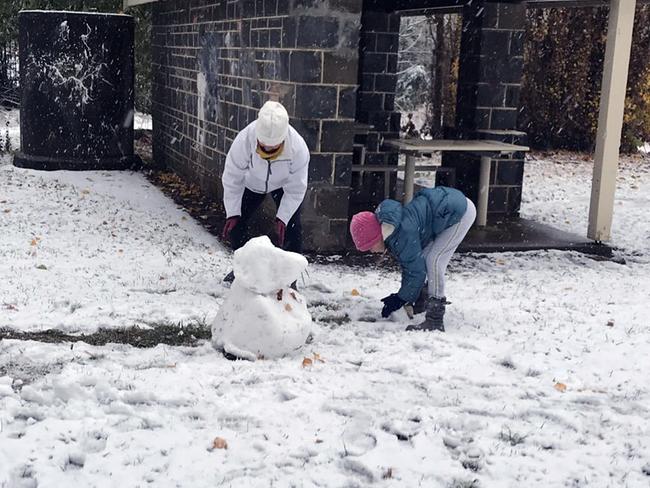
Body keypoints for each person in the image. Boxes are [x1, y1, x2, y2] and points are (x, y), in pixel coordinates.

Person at [349, 187, 476, 332]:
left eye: (370, 246)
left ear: (376, 236)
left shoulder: (402, 235)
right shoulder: (393, 228)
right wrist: (406, 296)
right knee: (425, 256)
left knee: (434, 260)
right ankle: (423, 300)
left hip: (460, 213)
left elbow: (416, 271)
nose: (371, 251)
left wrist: (400, 298)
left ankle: (435, 318)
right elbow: (410, 265)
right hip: (450, 207)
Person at [221, 101, 310, 284]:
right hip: (252, 183)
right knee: (237, 225)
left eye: (274, 147)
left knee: (292, 228)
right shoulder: (244, 139)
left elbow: (296, 188)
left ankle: (289, 278)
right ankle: (244, 271)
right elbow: (232, 177)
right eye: (263, 146)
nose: (268, 150)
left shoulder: (298, 147)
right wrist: (232, 212)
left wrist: (283, 217)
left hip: (283, 186)